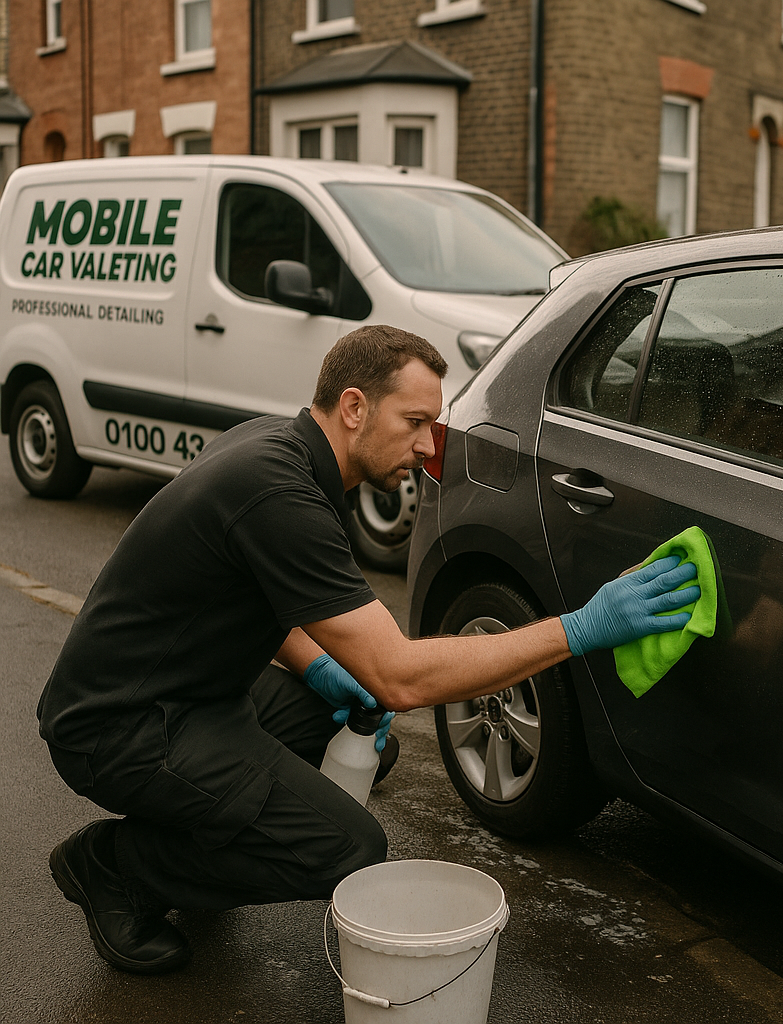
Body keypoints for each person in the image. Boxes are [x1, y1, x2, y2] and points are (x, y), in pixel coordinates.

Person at [38, 324, 700, 975]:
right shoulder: (281, 493)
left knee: (367, 743)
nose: (425, 444)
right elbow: (400, 679)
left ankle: (199, 835)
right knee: (344, 847)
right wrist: (580, 629)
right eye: (413, 421)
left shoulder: (278, 447)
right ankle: (117, 866)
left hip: (195, 690)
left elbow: (253, 597)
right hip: (119, 726)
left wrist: (322, 666)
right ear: (354, 407)